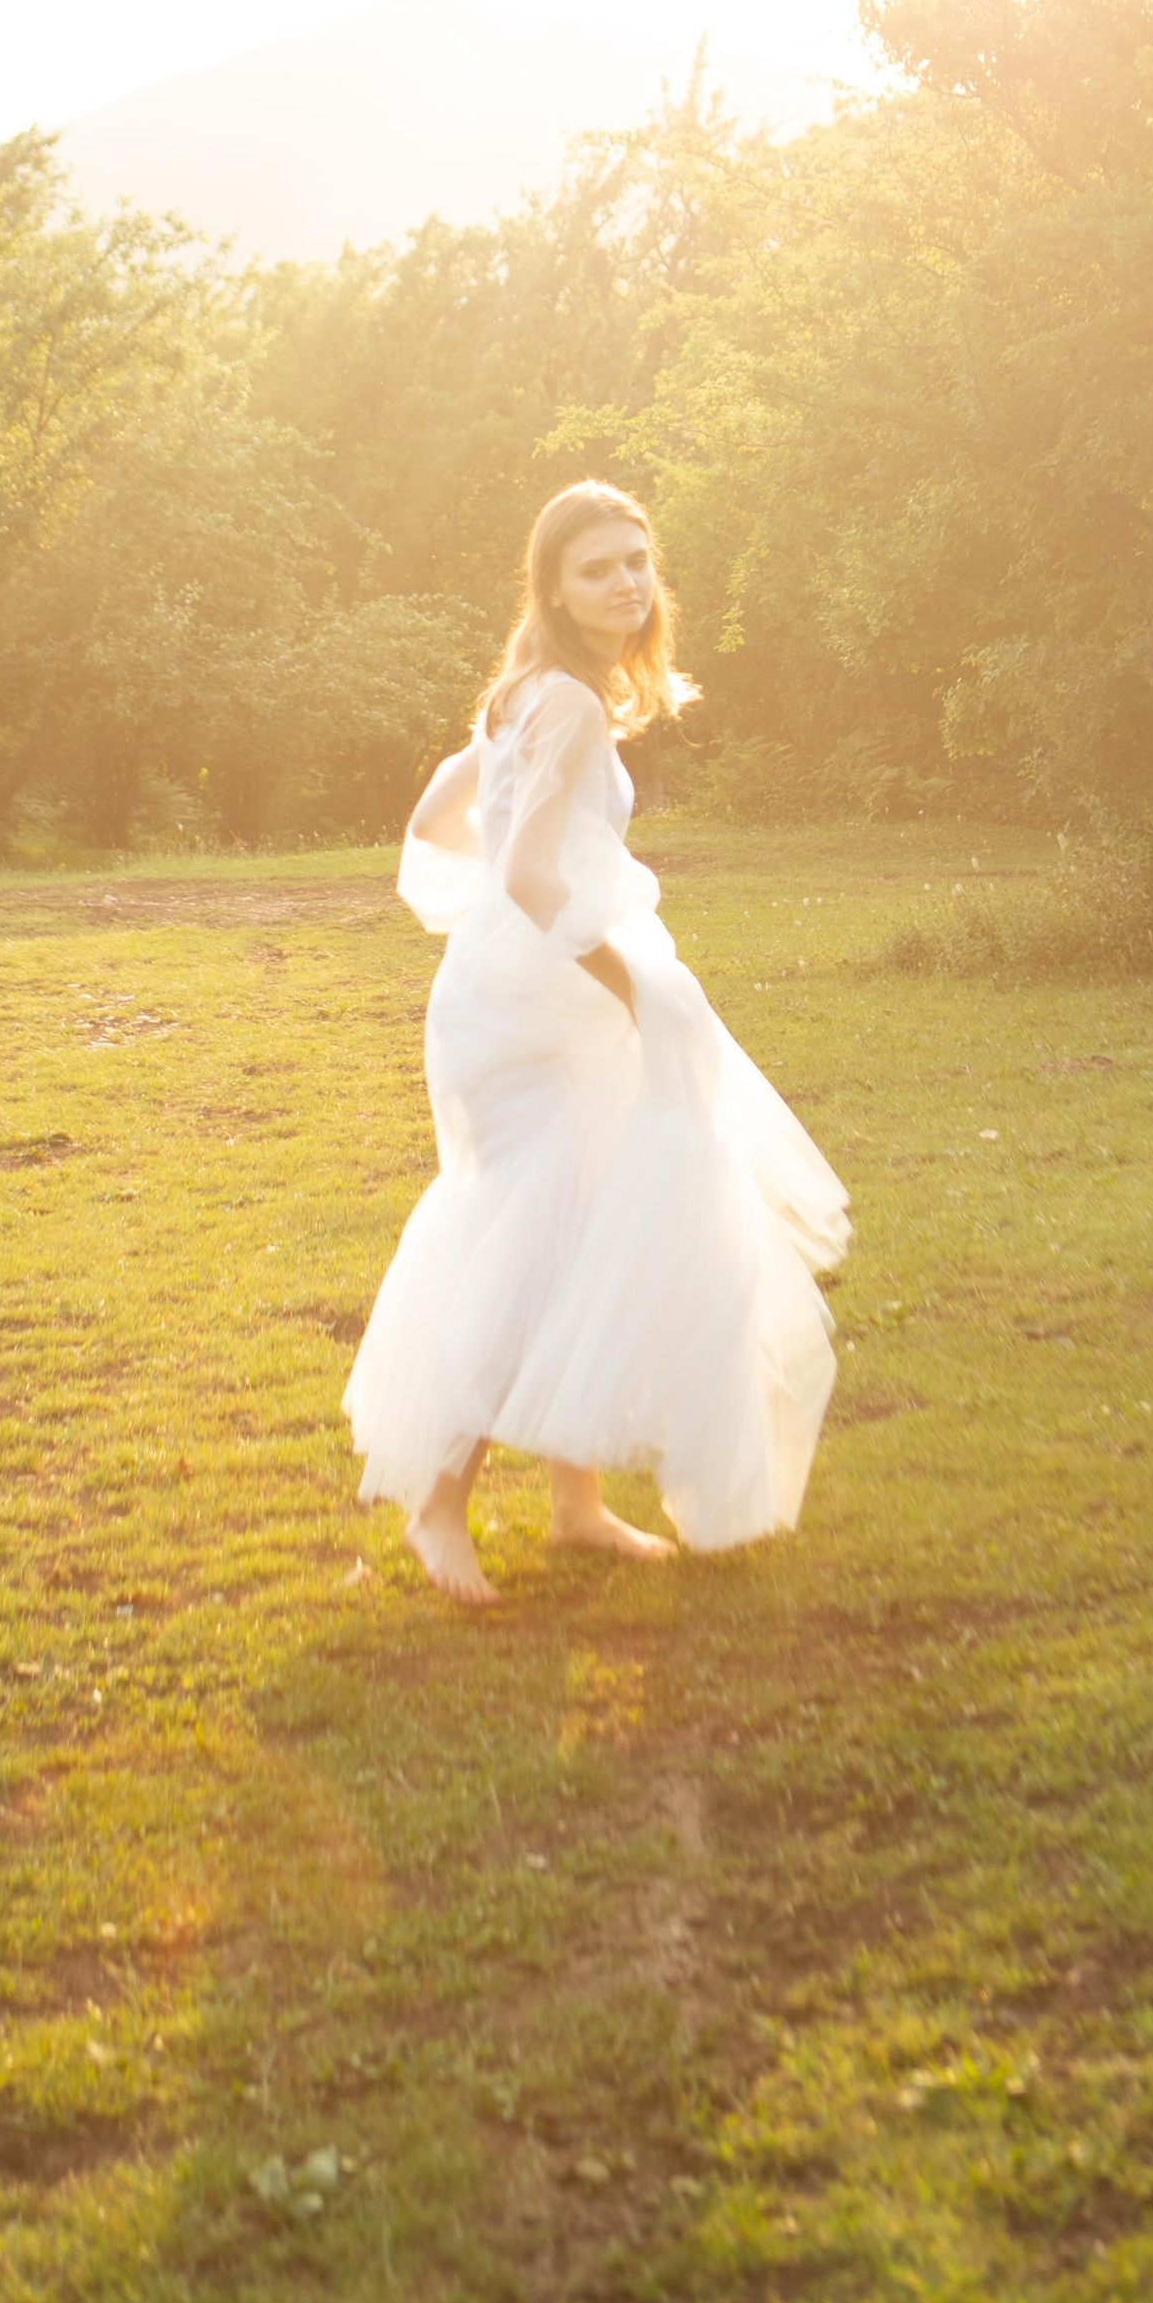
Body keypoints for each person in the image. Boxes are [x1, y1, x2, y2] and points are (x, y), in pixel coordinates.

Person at [344, 480, 852, 1604]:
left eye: (636, 561)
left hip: (516, 986)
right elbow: (529, 875)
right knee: (530, 1236)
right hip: (549, 1002)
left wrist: (532, 906)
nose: (625, 582)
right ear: (554, 589)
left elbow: (438, 819)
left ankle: (576, 1510)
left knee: (583, 1225)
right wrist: (634, 985)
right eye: (597, 568)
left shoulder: (527, 692)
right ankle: (438, 1506)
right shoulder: (565, 704)